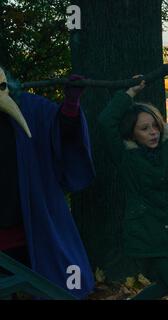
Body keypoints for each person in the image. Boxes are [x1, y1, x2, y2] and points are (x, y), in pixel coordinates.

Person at [98, 76, 168, 300]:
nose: (153, 132)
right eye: (144, 128)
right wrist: (129, 93)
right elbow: (105, 122)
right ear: (132, 133)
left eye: (155, 126)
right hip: (148, 234)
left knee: (165, 285)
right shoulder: (125, 157)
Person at [0, 67, 96, 299]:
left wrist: (71, 105)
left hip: (28, 225)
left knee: (51, 285)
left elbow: (60, 131)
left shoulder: (30, 109)